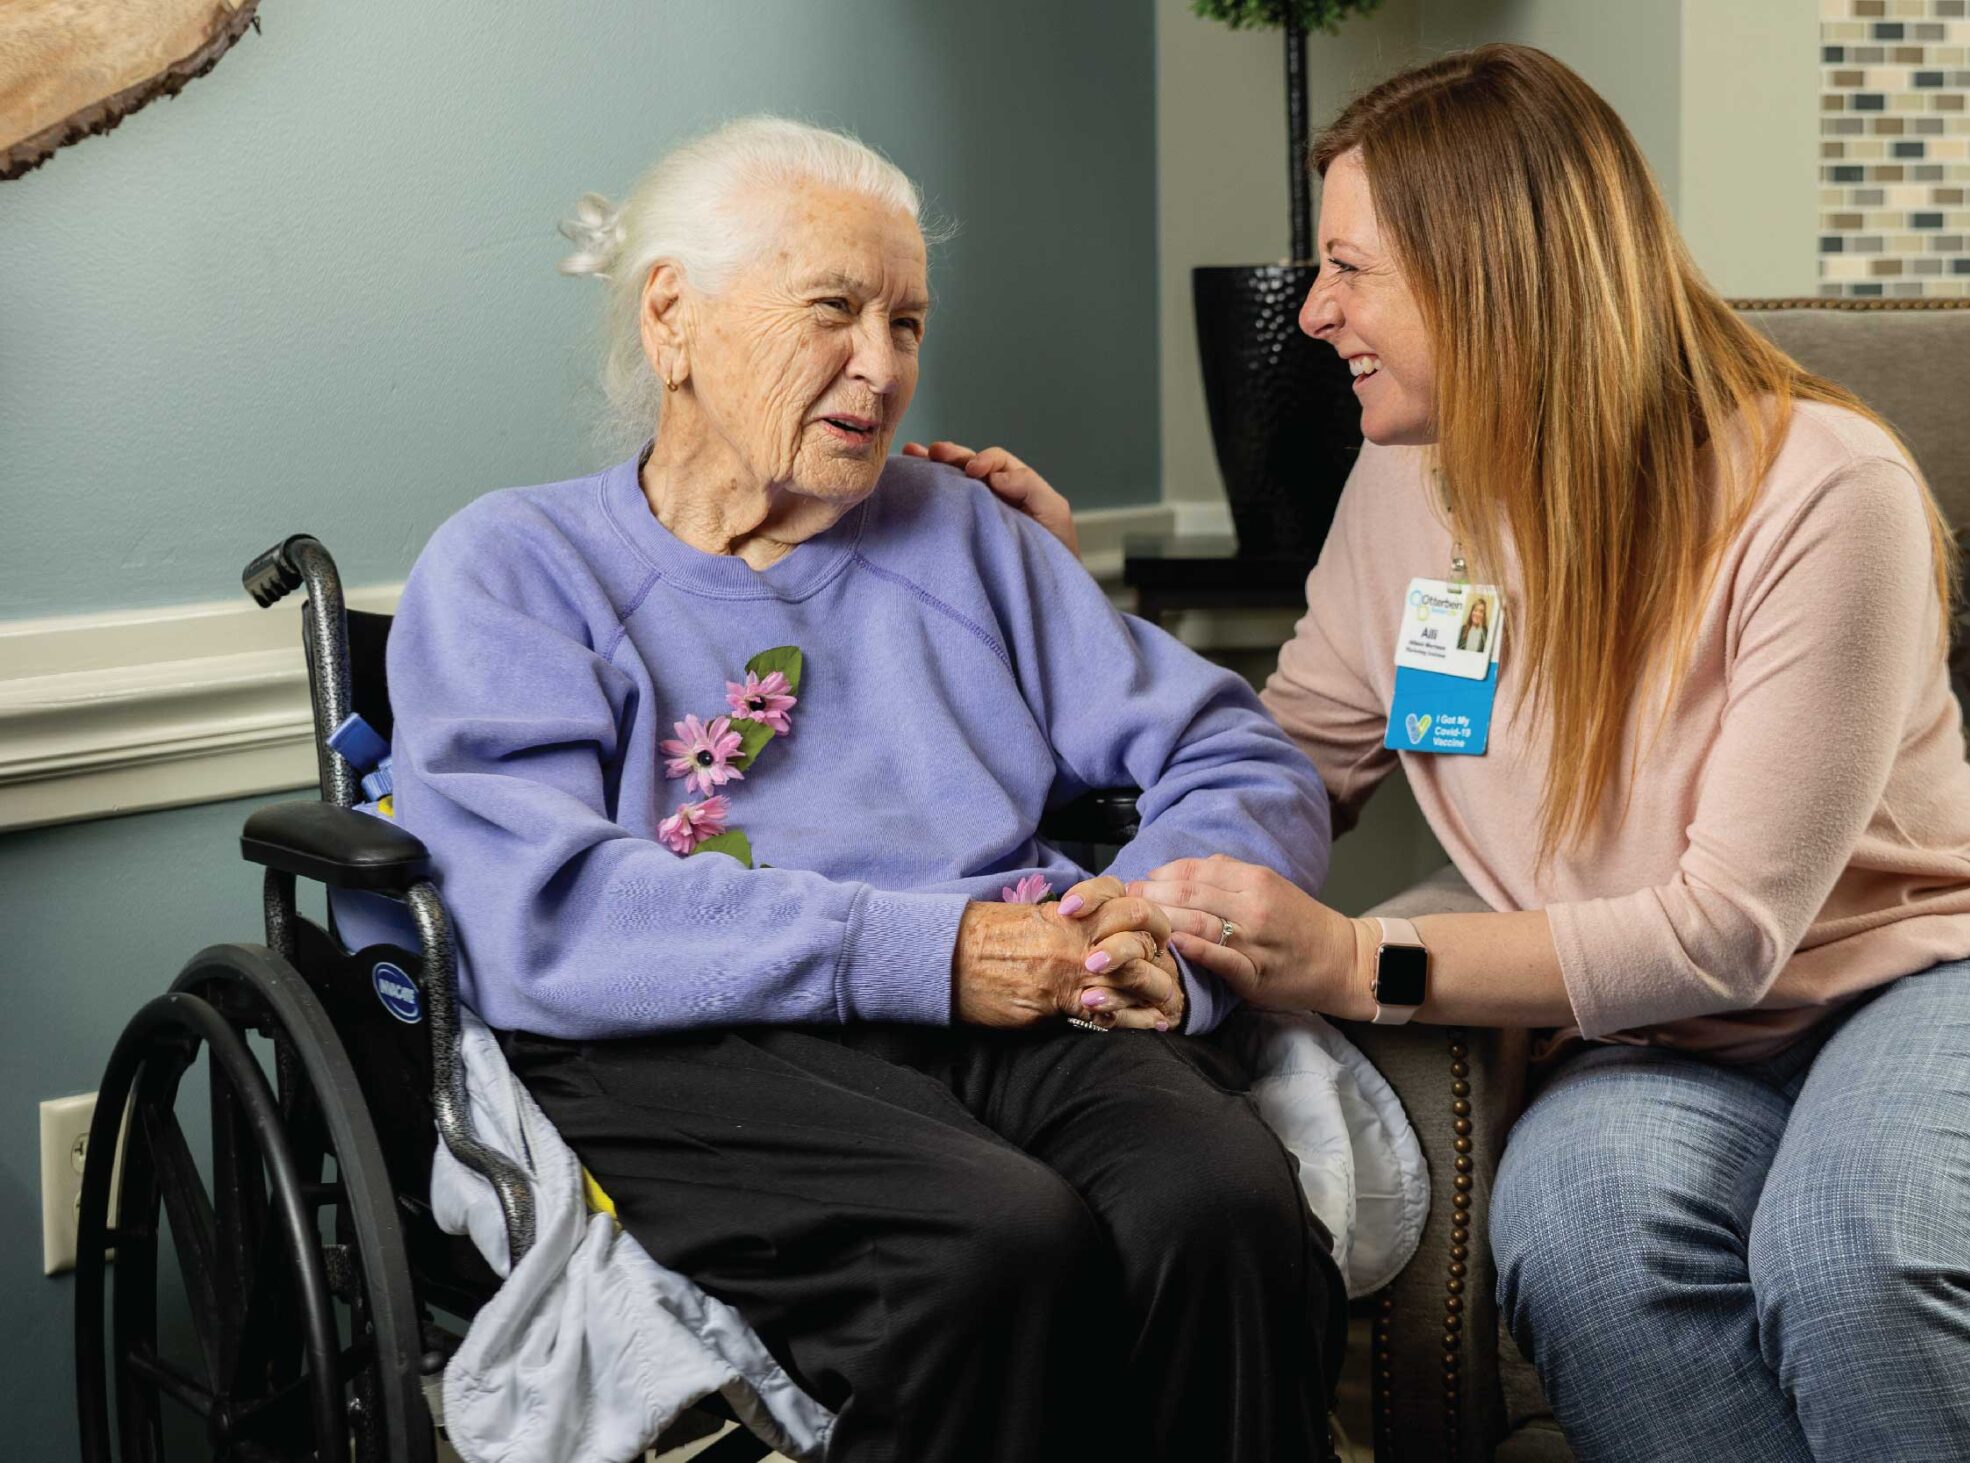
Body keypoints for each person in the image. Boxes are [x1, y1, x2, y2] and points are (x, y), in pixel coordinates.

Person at [924, 44, 1970, 1463]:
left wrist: (1358, 961)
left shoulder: (1820, 487)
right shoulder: (1403, 488)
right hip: (1648, 1048)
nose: (1314, 313)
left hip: (1938, 986)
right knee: (1583, 1253)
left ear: (1493, 273)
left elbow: (1725, 935)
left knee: (1849, 1256)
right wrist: (1060, 620)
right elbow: (1280, 762)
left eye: (1351, 269)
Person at [371, 116, 1344, 1463]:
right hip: (692, 1042)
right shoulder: (514, 566)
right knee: (995, 1248)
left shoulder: (966, 536)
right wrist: (929, 954)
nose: (882, 368)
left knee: (1221, 1205)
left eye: (909, 324)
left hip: (1020, 1000)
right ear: (674, 317)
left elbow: (1239, 757)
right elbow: (541, 912)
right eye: (834, 310)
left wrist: (1165, 930)